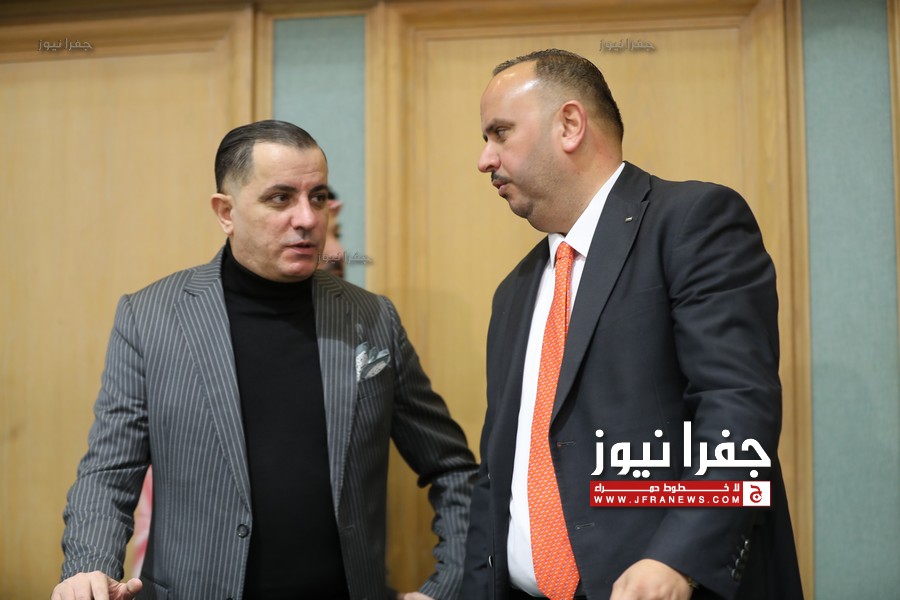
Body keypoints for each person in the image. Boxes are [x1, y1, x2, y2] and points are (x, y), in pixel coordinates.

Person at [52, 120, 477, 600]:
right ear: (226, 212)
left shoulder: (372, 318)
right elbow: (109, 473)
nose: (307, 218)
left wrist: (446, 586)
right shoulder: (149, 317)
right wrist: (87, 569)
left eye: (318, 197)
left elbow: (452, 469)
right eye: (281, 198)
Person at [462, 49, 803, 600]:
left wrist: (678, 559)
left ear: (569, 125)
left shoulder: (692, 222)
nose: (485, 159)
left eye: (500, 133)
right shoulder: (514, 292)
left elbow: (737, 409)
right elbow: (497, 473)